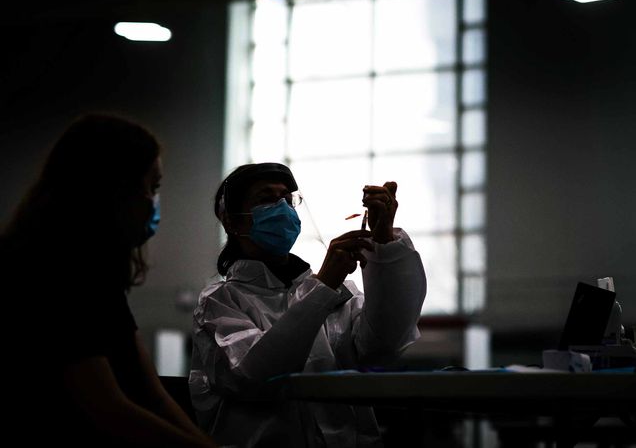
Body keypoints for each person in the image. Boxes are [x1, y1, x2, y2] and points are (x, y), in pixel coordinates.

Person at [0, 114, 217, 448]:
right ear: (113, 188)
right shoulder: (51, 269)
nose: (155, 203)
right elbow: (108, 408)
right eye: (152, 187)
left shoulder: (98, 273)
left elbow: (151, 394)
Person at [189, 162, 426, 447]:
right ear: (234, 221)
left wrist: (385, 242)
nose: (283, 208)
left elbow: (384, 346)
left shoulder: (339, 293)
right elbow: (256, 377)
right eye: (266, 199)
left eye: (287, 199)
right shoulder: (219, 301)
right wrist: (323, 286)